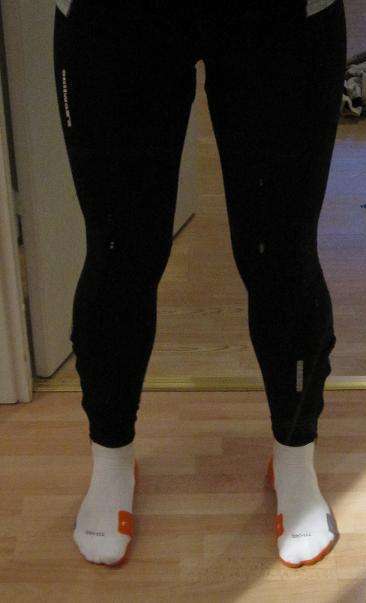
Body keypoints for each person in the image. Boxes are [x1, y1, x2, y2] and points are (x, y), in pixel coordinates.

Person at [53, 0, 347, 568]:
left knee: (281, 251)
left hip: (283, 15)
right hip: (113, 16)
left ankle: (294, 457)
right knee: (119, 252)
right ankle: (111, 458)